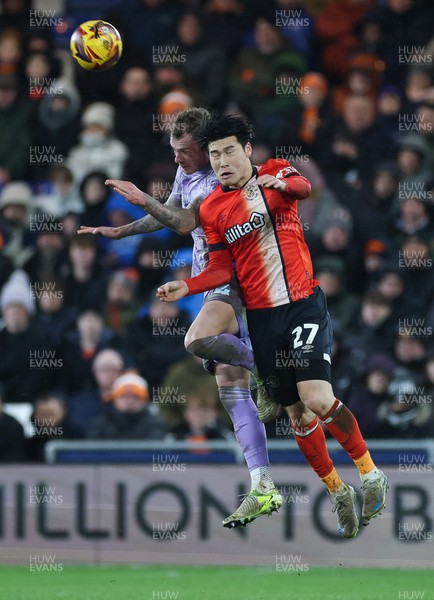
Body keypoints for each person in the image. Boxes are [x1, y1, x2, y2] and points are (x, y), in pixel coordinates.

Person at [157, 113, 389, 538]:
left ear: (247, 150)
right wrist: (186, 285)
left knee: (317, 398)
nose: (222, 160)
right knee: (296, 414)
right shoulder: (212, 208)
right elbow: (221, 268)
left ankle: (371, 474)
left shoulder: (274, 171)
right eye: (214, 154)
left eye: (229, 150)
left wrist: (286, 185)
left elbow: (305, 187)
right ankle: (337, 491)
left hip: (301, 304)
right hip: (262, 319)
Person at [78, 108, 281, 529]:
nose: (177, 160)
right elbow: (169, 211)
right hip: (212, 281)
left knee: (196, 340)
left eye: (184, 152)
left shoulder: (224, 181)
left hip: (240, 277)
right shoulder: (188, 174)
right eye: (173, 151)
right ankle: (263, 484)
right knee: (229, 382)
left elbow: (187, 219)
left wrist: (140, 195)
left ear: (207, 149)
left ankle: (266, 367)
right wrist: (121, 231)